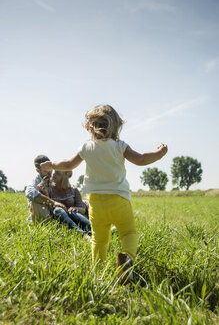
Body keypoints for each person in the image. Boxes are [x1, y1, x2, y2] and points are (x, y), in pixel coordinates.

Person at [40, 104, 168, 281]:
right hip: (119, 200)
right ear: (116, 126)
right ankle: (127, 260)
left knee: (99, 240)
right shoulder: (120, 146)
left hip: (96, 203)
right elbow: (141, 159)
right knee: (129, 233)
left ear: (90, 127)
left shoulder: (86, 147)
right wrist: (159, 153)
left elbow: (68, 164)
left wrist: (52, 165)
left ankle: (97, 272)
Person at [37, 170, 91, 235]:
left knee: (72, 212)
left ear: (64, 177)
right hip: (61, 218)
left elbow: (83, 209)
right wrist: (45, 193)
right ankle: (82, 234)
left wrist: (75, 208)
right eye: (54, 172)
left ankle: (93, 232)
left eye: (57, 173)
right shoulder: (49, 190)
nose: (53, 174)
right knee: (58, 210)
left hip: (75, 216)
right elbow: (50, 210)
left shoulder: (74, 190)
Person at [25, 155, 67, 224]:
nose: (50, 175)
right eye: (46, 172)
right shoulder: (34, 181)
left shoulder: (53, 180)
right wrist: (53, 203)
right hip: (41, 215)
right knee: (35, 201)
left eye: (51, 171)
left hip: (55, 212)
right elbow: (30, 193)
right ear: (38, 170)